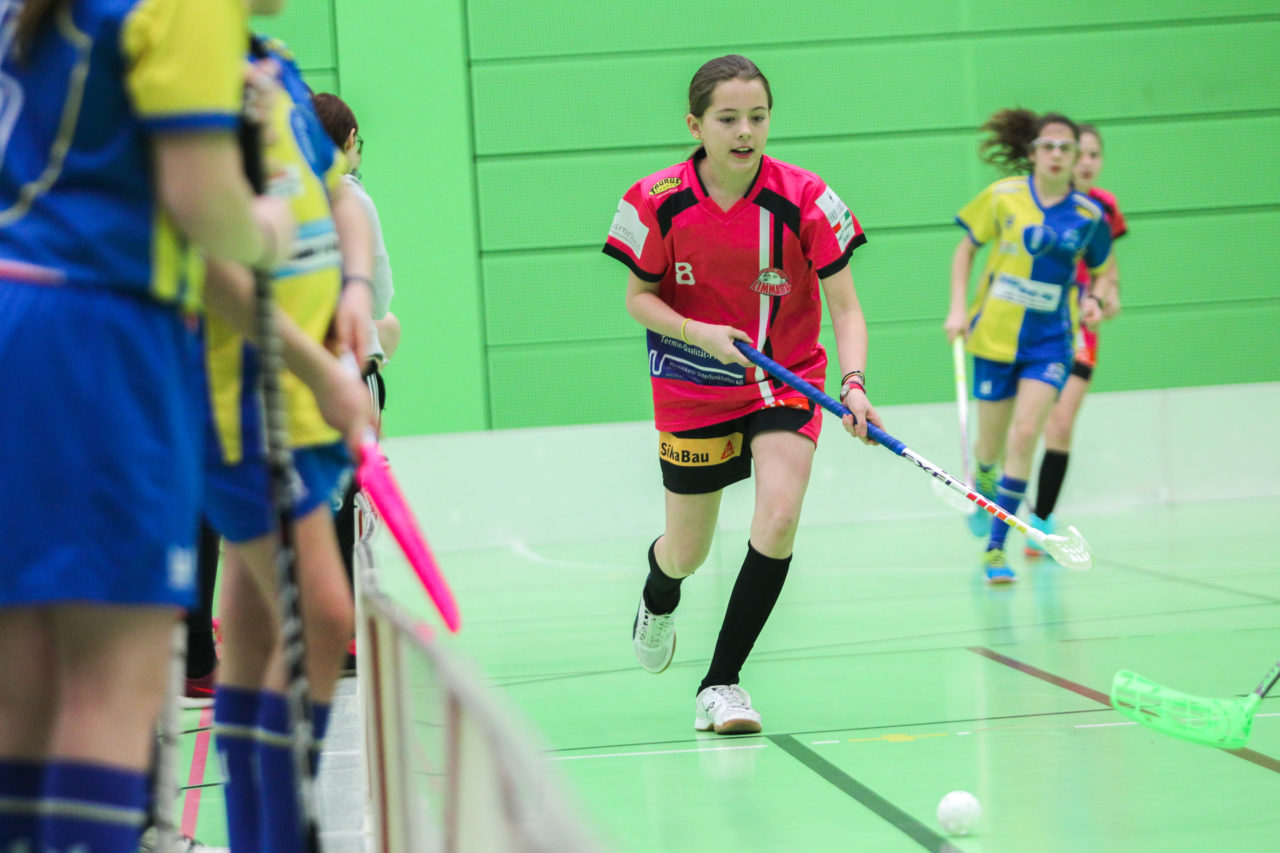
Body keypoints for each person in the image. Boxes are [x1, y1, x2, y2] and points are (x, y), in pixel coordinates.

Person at [0, 1, 295, 851]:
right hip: (89, 332)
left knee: (23, 692)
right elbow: (206, 210)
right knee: (108, 683)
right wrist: (272, 209)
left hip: (21, 315)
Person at [603, 55, 881, 734]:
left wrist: (853, 383)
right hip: (693, 383)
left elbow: (845, 308)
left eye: (758, 117)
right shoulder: (655, 199)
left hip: (785, 376)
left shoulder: (807, 197)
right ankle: (659, 589)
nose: (745, 131)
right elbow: (638, 299)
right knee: (687, 551)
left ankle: (721, 682)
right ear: (695, 124)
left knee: (779, 517)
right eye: (728, 118)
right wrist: (695, 329)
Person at [944, 109, 1114, 583]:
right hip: (993, 337)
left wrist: (1096, 300)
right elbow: (966, 248)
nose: (1057, 155)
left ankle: (997, 549)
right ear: (1033, 152)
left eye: (1066, 148)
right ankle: (983, 478)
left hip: (1050, 344)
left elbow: (1100, 268)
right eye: (1048, 147)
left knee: (1025, 437)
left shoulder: (1088, 215)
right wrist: (958, 307)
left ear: (1077, 156)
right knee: (990, 446)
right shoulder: (1003, 197)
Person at [312, 92, 401, 667]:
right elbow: (381, 296)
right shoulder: (348, 198)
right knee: (341, 502)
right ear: (348, 143)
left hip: (276, 374)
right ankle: (339, 633)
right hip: (342, 371)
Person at [1025, 124, 1126, 556]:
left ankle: (1041, 521)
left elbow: (1109, 272)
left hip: (1078, 327)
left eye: (1093, 155)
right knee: (1023, 424)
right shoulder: (1030, 197)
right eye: (1077, 153)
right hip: (1031, 324)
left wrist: (1105, 299)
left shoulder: (1100, 207)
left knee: (1060, 423)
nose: (1085, 162)